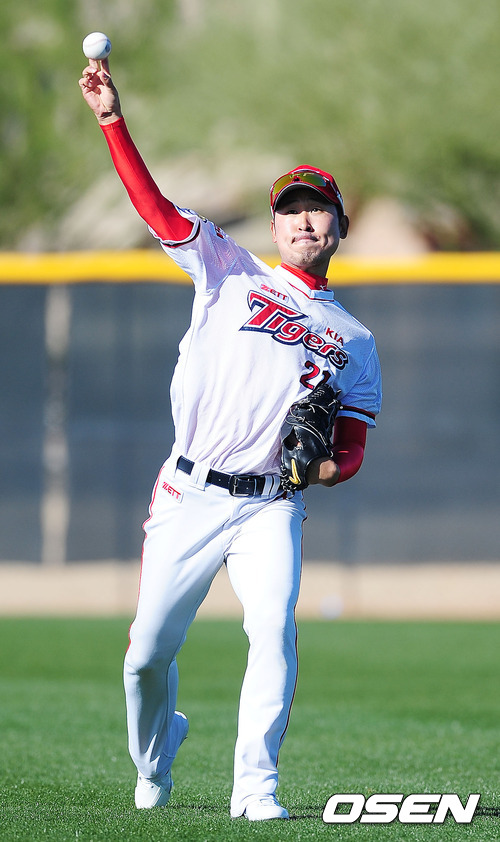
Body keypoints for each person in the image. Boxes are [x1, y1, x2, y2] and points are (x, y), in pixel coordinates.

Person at [79, 56, 382, 822]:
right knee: (145, 656)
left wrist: (323, 471)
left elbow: (351, 446)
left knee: (272, 630)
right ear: (274, 225)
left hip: (270, 505)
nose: (304, 221)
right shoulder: (227, 268)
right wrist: (113, 121)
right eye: (291, 210)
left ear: (341, 227)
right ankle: (156, 757)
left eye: (318, 210)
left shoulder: (355, 340)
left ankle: (256, 788)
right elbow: (153, 207)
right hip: (189, 491)